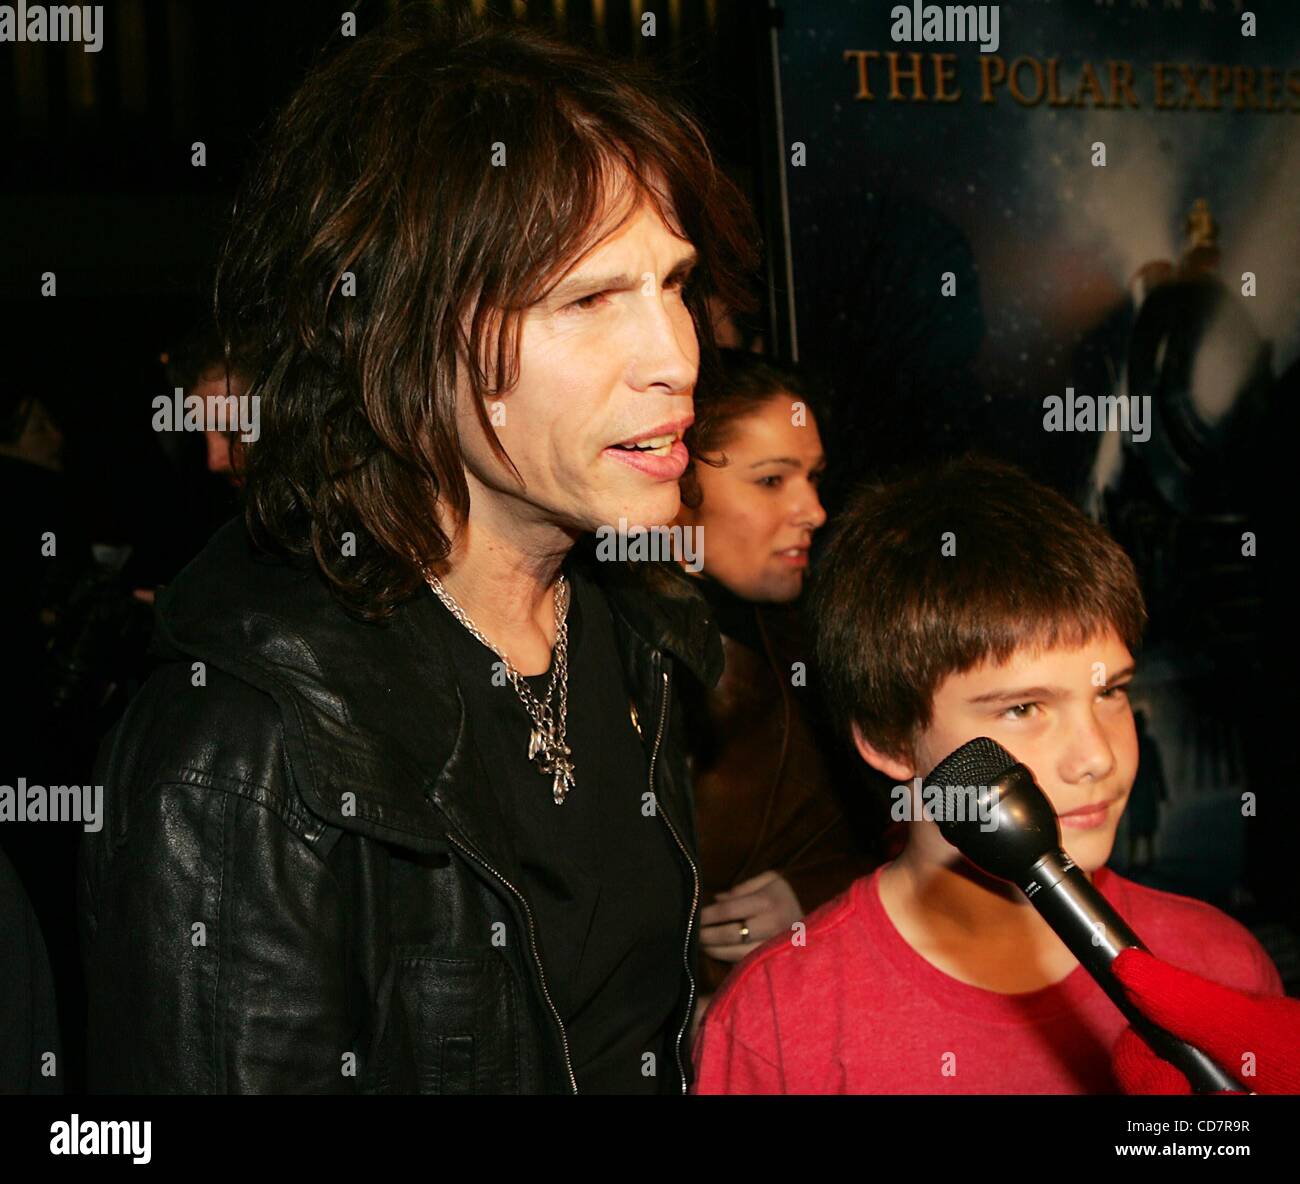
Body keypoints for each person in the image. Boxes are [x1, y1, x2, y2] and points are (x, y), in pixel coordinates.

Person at [80, 9, 758, 1094]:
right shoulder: (240, 749)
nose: (674, 354)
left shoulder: (638, 630)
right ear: (398, 334)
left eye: (673, 283)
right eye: (588, 299)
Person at [692, 456, 1283, 1094]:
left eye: (1110, 692)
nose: (1097, 757)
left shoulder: (1222, 964)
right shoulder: (777, 1021)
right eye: (1024, 708)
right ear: (891, 740)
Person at [668, 351, 882, 1028]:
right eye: (770, 480)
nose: (814, 510)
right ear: (670, 478)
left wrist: (817, 894)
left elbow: (893, 831)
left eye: (814, 477)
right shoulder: (596, 644)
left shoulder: (814, 629)